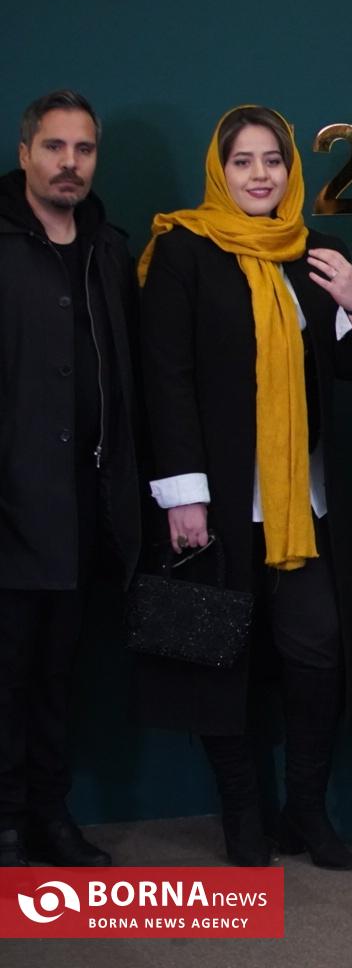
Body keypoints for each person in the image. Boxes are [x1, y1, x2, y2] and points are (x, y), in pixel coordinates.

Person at [139, 105, 352, 869]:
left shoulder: (313, 251)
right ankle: (242, 814)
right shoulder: (182, 249)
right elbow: (165, 375)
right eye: (242, 161)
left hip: (301, 506)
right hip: (215, 501)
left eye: (272, 161)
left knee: (318, 655)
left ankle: (304, 812)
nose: (259, 175)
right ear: (220, 171)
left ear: (291, 171)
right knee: (219, 657)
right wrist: (183, 491)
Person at [0, 90, 141, 867]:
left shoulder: (108, 249)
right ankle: (6, 824)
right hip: (9, 506)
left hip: (85, 506)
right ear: (25, 153)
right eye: (54, 147)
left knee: (60, 676)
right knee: (6, 675)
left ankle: (49, 819)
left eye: (83, 150)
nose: (69, 163)